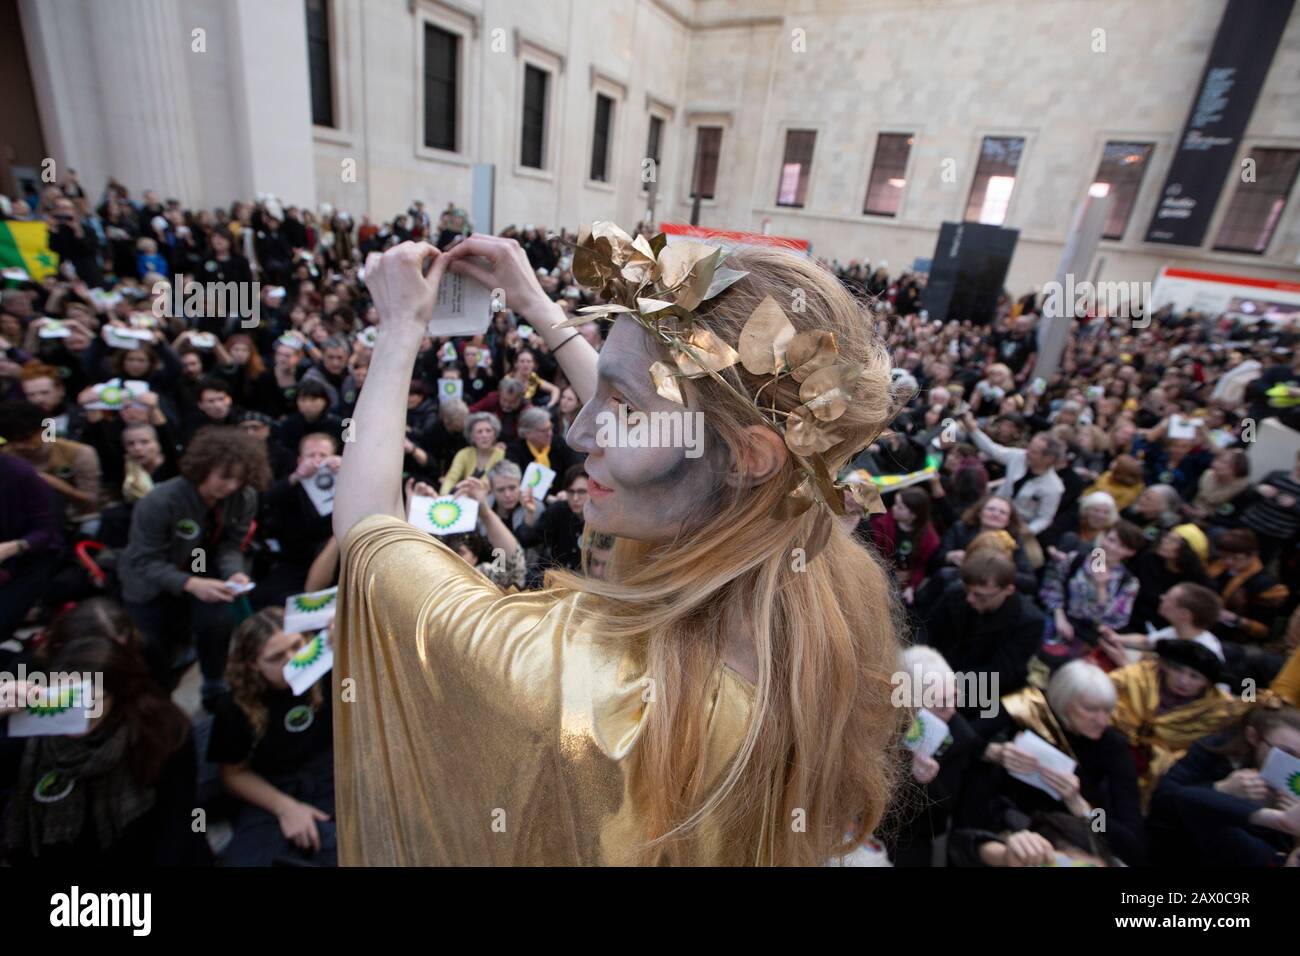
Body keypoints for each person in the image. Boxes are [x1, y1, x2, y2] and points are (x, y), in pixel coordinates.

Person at [331, 229, 903, 865]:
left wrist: (398, 330)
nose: (578, 433)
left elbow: (367, 531)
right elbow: (680, 431)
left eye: (621, 410)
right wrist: (539, 307)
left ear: (752, 457)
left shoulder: (584, 689)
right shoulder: (829, 575)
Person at [0, 631, 210, 866]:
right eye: (66, 701)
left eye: (93, 701)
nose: (81, 714)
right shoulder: (31, 734)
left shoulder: (160, 735)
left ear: (118, 696)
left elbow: (187, 820)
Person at [119, 427, 269, 706]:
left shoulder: (244, 497)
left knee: (217, 621)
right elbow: (144, 560)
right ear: (203, 467)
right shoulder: (159, 501)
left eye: (240, 479)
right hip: (148, 583)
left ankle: (214, 683)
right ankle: (157, 698)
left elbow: (231, 544)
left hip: (201, 565)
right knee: (152, 646)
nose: (232, 486)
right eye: (225, 477)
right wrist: (189, 584)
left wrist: (233, 572)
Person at [960, 660, 1145, 865]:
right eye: (1091, 709)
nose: (1103, 720)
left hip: (1068, 839)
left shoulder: (1113, 746)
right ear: (1064, 702)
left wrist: (1084, 810)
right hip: (1002, 818)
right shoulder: (1029, 706)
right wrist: (994, 752)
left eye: (1108, 710)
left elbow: (1131, 841)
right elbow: (961, 738)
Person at [208, 608, 335, 866]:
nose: (292, 659)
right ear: (253, 664)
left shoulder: (327, 670)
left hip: (331, 772)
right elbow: (233, 775)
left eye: (297, 646)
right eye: (276, 657)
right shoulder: (234, 706)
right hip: (273, 786)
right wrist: (286, 808)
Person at [1148, 703, 1300, 866]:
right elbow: (1162, 801)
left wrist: (1292, 827)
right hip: (1178, 847)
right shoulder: (1215, 750)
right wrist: (1221, 789)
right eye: (1285, 752)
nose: (1294, 763)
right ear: (1253, 737)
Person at [1104, 638, 1243, 807]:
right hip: (1108, 751)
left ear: (1207, 683)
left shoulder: (1218, 712)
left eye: (1195, 676)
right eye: (1178, 670)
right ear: (1166, 667)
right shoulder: (1135, 677)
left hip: (1164, 780)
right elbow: (1099, 699)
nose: (1183, 681)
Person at [918, 552, 1044, 716]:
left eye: (980, 595)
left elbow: (1002, 673)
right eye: (968, 590)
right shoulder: (956, 593)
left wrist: (946, 680)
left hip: (978, 696)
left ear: (1008, 590)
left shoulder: (1028, 621)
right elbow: (927, 629)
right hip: (933, 676)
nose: (970, 599)